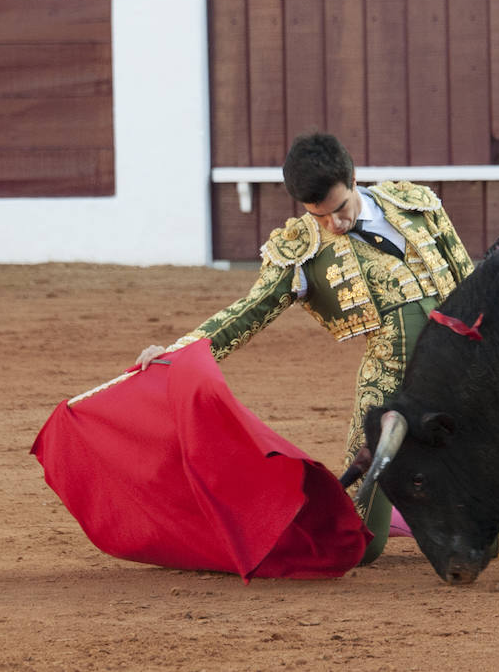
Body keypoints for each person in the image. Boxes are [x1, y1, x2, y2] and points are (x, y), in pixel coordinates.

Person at [135, 133, 475, 566]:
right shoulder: (300, 250)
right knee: (360, 545)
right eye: (319, 216)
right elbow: (248, 311)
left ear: (353, 180)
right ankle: (394, 503)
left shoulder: (416, 205)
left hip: (460, 375)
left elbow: (470, 283)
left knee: (483, 537)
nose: (334, 224)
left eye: (340, 209)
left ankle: (413, 499)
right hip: (387, 387)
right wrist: (179, 351)